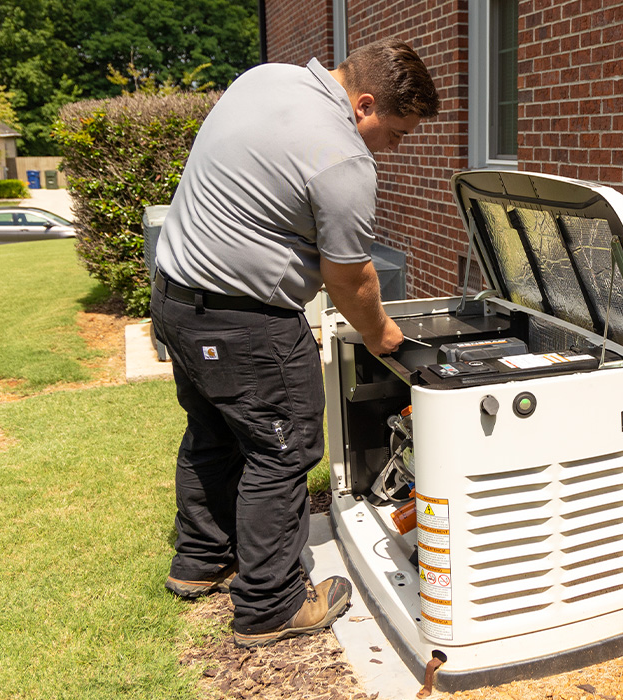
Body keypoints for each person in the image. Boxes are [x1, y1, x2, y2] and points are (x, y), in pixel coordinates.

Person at [150, 38, 440, 648]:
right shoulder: (343, 160)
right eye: (396, 132)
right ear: (363, 105)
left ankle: (200, 561)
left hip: (177, 297)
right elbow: (349, 277)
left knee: (214, 432)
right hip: (245, 322)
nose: (395, 147)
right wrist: (384, 336)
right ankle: (271, 605)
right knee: (281, 451)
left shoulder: (265, 78)